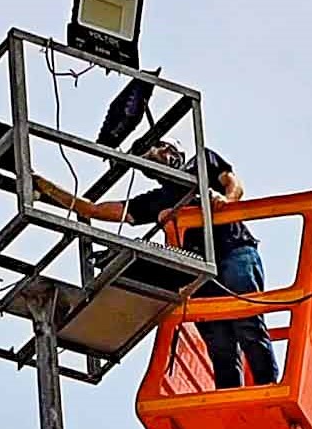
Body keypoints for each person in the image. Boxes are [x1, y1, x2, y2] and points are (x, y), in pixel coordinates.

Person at [33, 141, 279, 388]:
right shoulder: (156, 200)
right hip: (199, 272)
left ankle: (268, 388)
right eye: (151, 152)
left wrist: (225, 200)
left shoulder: (202, 163)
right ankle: (234, 405)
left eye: (161, 147)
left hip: (233, 250)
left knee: (247, 323)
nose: (159, 153)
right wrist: (41, 184)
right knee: (220, 345)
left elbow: (233, 183)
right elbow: (93, 209)